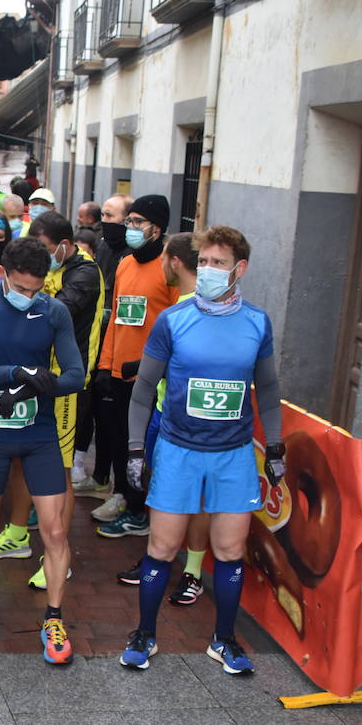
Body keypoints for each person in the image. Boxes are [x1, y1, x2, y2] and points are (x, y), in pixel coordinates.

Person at [120, 226, 281, 674]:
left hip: (232, 455)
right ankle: (145, 635)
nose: (208, 270)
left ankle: (224, 641)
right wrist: (136, 449)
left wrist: (278, 445)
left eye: (219, 263)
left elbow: (267, 391)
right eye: (204, 262)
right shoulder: (175, 319)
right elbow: (143, 389)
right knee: (162, 547)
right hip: (178, 450)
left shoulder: (256, 322)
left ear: (239, 269)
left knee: (230, 551)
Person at [0, 237, 85, 664]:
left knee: (56, 531)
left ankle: (54, 617)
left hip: (38, 433)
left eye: (38, 288)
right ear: (3, 273)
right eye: (22, 288)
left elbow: (76, 375)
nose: (30, 297)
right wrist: (13, 373)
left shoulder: (54, 310)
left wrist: (35, 385)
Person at [0, 212, 104, 592]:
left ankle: (58, 555)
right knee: (24, 457)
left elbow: (48, 316)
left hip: (65, 387)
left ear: (63, 246)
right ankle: (19, 535)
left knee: (59, 472)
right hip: (31, 378)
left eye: (43, 249)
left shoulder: (84, 275)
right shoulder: (46, 273)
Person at [113, 232, 212, 598]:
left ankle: (190, 571)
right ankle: (163, 560)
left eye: (163, 259)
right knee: (164, 493)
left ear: (174, 262)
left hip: (188, 421)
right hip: (161, 412)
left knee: (192, 497)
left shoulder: (195, 311)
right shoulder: (176, 312)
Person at [93, 195, 181, 539]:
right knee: (116, 439)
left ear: (156, 229)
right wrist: (105, 364)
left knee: (141, 444)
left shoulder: (169, 268)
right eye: (128, 221)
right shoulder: (125, 263)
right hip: (118, 371)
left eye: (136, 222)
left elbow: (174, 325)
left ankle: (138, 509)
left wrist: (151, 366)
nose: (129, 228)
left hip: (149, 375)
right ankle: (122, 495)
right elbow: (116, 317)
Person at [77, 193, 134, 497]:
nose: (104, 222)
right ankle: (99, 477)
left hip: (124, 355)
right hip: (100, 345)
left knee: (117, 425)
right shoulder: (104, 248)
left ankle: (120, 490)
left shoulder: (130, 256)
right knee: (97, 414)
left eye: (111, 216)